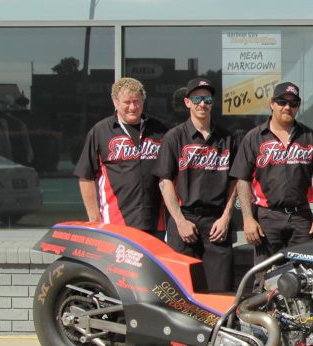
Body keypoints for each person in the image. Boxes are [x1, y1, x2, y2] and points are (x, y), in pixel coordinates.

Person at [155, 77, 237, 292]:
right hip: (185, 220)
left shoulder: (227, 138)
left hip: (216, 221)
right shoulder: (174, 138)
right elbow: (165, 183)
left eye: (207, 99)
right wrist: (180, 221)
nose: (202, 104)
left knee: (221, 290)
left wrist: (226, 217)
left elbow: (235, 182)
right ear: (187, 103)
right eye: (197, 99)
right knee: (182, 290)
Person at [230, 82, 313, 260]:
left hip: (301, 217)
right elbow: (242, 180)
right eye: (282, 102)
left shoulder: (310, 137)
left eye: (293, 103)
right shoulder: (254, 137)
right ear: (272, 104)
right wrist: (248, 219)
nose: (287, 107)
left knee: (304, 277)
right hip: (267, 217)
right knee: (266, 277)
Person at [75, 77, 167, 236]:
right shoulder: (100, 132)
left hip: (156, 222)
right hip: (115, 224)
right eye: (127, 102)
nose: (133, 107)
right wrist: (94, 218)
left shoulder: (160, 130)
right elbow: (86, 177)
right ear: (115, 102)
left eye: (137, 101)